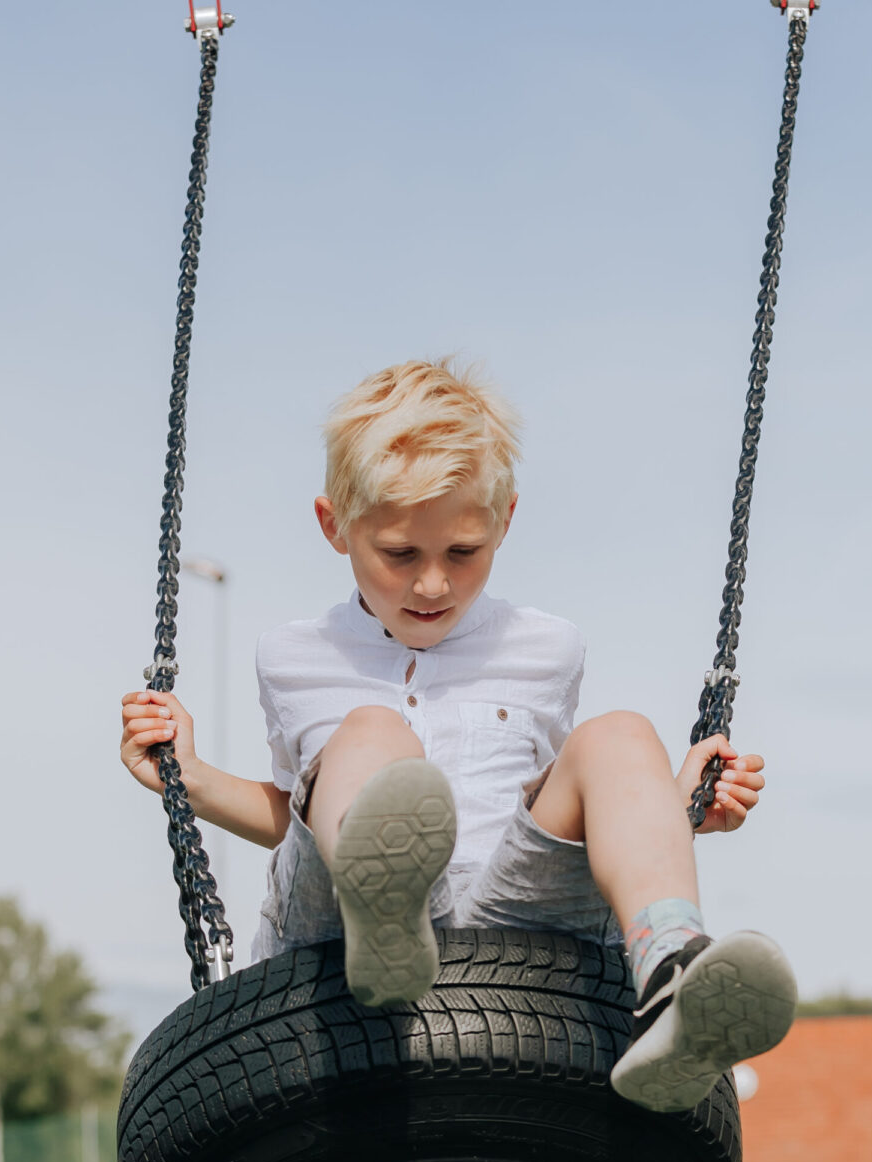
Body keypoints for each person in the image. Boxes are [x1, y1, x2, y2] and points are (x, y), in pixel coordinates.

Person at [119, 358, 796, 1112]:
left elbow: (570, 808)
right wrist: (196, 778)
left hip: (516, 915)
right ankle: (386, 918)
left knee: (622, 736)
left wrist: (677, 807)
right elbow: (298, 816)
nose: (432, 584)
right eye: (400, 554)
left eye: (462, 552)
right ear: (334, 526)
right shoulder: (293, 657)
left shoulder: (548, 647)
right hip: (336, 924)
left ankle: (673, 974)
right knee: (370, 738)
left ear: (504, 520)